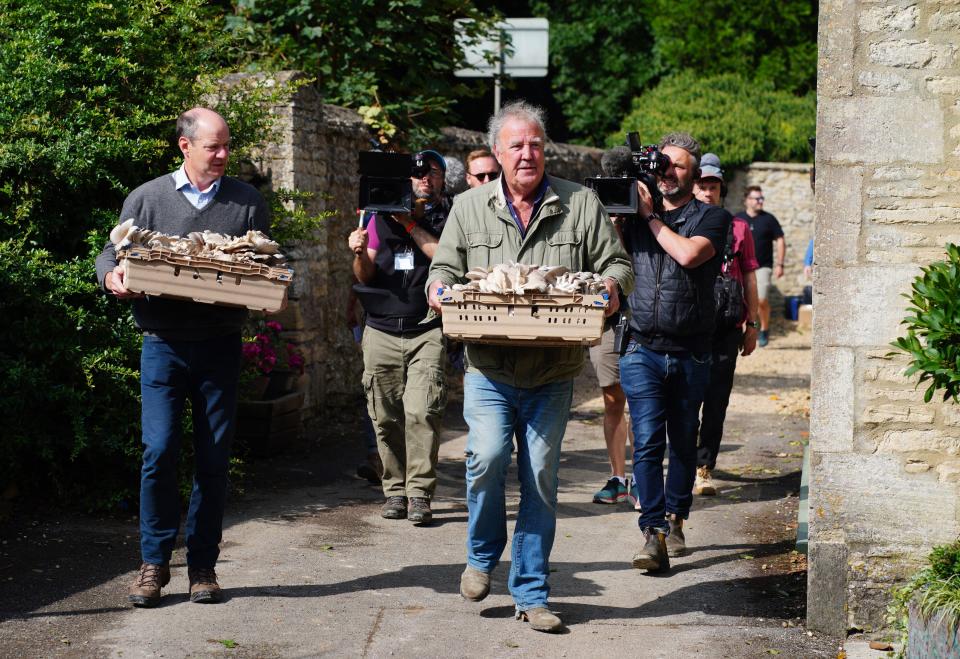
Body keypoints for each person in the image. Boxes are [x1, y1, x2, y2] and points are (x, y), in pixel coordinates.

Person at [427, 101, 633, 633]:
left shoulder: (580, 203)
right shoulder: (470, 207)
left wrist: (610, 288)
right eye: (516, 145)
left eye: (536, 144)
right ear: (497, 152)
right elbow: (444, 267)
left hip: (553, 369)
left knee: (541, 477)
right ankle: (480, 554)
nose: (527, 154)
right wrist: (437, 289)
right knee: (487, 458)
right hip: (489, 366)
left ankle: (532, 592)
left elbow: (617, 263)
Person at [96, 108, 272, 607]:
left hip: (220, 347)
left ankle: (203, 568)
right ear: (184, 147)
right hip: (163, 346)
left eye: (226, 147)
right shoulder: (148, 198)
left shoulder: (247, 201)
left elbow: (264, 261)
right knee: (158, 453)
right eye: (213, 147)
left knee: (214, 461)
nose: (222, 155)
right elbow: (109, 254)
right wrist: (112, 279)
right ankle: (153, 565)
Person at [618, 133, 731, 573]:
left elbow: (686, 255)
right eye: (663, 165)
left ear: (695, 173)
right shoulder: (634, 214)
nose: (668, 172)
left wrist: (647, 217)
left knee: (684, 442)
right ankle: (653, 533)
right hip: (641, 346)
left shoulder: (713, 218)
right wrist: (623, 207)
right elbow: (605, 251)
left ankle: (676, 516)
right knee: (646, 441)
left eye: (679, 166)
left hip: (692, 350)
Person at [348, 149, 449, 526]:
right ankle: (395, 492)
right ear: (405, 179)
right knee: (385, 417)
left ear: (442, 179)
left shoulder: (449, 217)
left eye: (432, 172)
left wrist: (408, 225)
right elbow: (364, 275)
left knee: (423, 411)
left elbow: (444, 257)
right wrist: (358, 253)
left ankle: (420, 493)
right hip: (381, 329)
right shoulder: (375, 216)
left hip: (426, 328)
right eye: (417, 172)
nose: (424, 178)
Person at [691, 154, 760, 497]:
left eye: (712, 186)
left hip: (726, 325)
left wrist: (754, 323)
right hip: (688, 325)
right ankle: (684, 461)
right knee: (686, 397)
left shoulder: (739, 228)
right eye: (701, 185)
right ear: (692, 186)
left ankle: (705, 467)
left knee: (716, 399)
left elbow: (749, 274)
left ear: (721, 189)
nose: (707, 192)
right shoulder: (683, 223)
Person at [589, 147, 633, 507]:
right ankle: (618, 477)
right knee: (612, 397)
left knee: (645, 401)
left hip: (644, 318)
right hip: (606, 320)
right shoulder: (592, 209)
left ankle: (647, 479)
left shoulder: (648, 209)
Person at [734, 186, 784, 347]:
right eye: (757, 198)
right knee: (741, 301)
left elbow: (781, 240)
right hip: (742, 267)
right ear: (747, 200)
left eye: (761, 198)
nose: (760, 201)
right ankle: (746, 330)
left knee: (761, 300)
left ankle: (764, 329)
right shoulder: (738, 219)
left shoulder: (769, 219)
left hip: (763, 266)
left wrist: (780, 264)